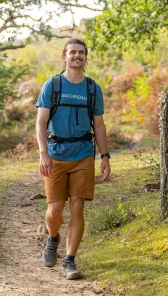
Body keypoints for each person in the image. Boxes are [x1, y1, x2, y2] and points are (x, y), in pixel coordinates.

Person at [35, 38, 111, 280]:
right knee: (54, 210)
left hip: (83, 154)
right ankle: (53, 238)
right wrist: (43, 153)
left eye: (81, 53)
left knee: (78, 207)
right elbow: (40, 122)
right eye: (72, 52)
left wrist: (105, 156)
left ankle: (69, 261)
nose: (77, 56)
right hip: (55, 155)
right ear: (64, 57)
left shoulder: (92, 89)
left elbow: (98, 125)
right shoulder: (52, 86)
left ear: (85, 58)